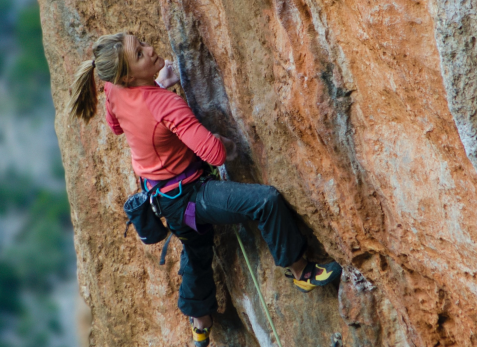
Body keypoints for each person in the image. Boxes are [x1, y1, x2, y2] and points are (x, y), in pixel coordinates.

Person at [70, 32, 342, 347]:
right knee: (266, 201)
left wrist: (155, 89)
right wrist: (223, 142)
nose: (151, 48)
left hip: (163, 198)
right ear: (129, 75)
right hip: (190, 196)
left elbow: (117, 125)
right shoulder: (165, 104)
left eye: (142, 42)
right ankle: (301, 272)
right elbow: (213, 154)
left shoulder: (114, 89)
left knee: (197, 249)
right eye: (142, 53)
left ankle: (199, 324)